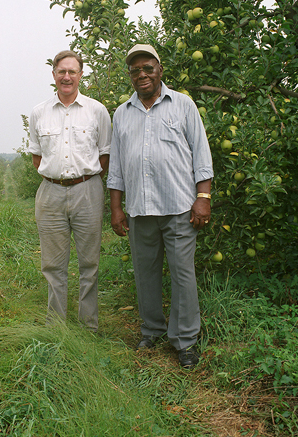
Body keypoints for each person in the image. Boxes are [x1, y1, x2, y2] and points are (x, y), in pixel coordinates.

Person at [107, 44, 213, 368]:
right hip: (140, 211)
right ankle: (151, 330)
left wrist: (203, 198)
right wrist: (116, 209)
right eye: (135, 70)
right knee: (145, 275)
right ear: (130, 75)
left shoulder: (182, 105)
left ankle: (184, 342)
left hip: (181, 208)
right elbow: (116, 168)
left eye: (147, 68)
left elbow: (202, 155)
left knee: (183, 276)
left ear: (159, 69)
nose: (141, 74)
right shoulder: (122, 114)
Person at [29, 50, 111, 331]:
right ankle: (57, 326)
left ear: (80, 75)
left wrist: (82, 178)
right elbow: (37, 158)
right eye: (61, 71)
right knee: (53, 265)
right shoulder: (39, 113)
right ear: (53, 75)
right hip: (50, 193)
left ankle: (89, 325)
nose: (66, 76)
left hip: (87, 191)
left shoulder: (97, 111)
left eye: (72, 71)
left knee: (89, 262)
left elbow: (105, 155)